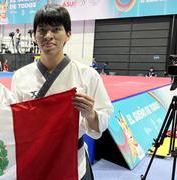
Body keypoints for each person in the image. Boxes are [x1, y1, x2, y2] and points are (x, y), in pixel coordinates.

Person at [11, 4, 113, 180]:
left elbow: (101, 123)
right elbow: (15, 123)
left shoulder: (87, 75)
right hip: (35, 159)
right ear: (34, 36)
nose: (48, 36)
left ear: (68, 34)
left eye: (56, 29)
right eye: (42, 30)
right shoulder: (21, 77)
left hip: (73, 159)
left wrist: (90, 114)